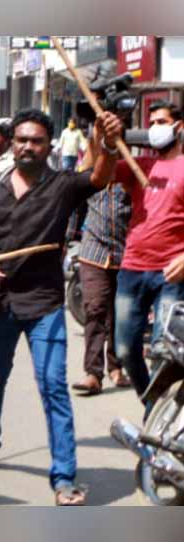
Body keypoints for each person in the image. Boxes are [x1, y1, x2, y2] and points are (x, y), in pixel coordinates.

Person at [0, 108, 120, 506]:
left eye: (35, 141)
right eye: (21, 140)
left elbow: (100, 176)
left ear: (49, 147)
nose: (27, 147)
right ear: (12, 143)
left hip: (45, 304)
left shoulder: (62, 185)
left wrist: (109, 144)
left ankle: (64, 477)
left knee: (53, 389)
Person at [99, 102, 184, 404]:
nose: (155, 127)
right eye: (152, 122)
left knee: (164, 351)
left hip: (171, 276)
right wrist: (104, 140)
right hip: (133, 268)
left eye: (162, 121)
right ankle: (152, 402)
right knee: (124, 350)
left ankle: (156, 419)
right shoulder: (141, 165)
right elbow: (97, 173)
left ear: (179, 127)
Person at [69, 148, 132, 395]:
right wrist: (66, 242)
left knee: (119, 314)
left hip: (127, 254)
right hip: (93, 253)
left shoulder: (132, 178)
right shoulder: (91, 178)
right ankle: (93, 373)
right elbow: (74, 208)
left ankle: (116, 367)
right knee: (94, 310)